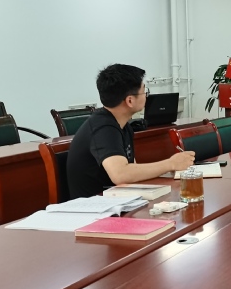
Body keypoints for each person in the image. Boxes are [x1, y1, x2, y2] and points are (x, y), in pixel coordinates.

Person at [67, 64, 195, 199]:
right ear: (130, 100)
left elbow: (131, 170)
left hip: (119, 199)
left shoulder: (123, 125)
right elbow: (120, 175)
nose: (146, 96)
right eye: (144, 92)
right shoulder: (103, 127)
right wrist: (171, 164)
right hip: (95, 206)